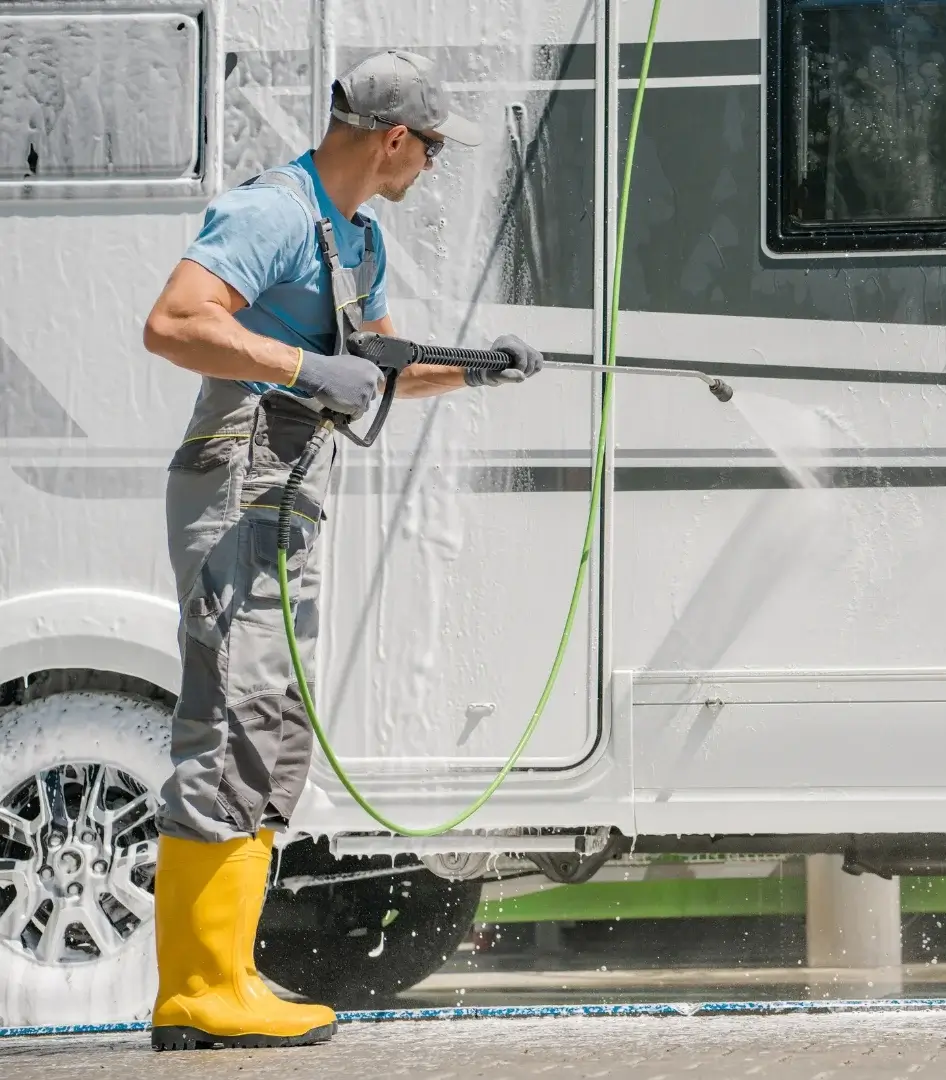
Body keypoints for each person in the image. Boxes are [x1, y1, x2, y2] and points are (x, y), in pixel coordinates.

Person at [141, 48, 544, 1052]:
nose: (433, 169)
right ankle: (194, 989)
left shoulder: (354, 239)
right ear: (396, 138)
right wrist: (303, 363)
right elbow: (175, 322)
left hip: (286, 491)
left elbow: (378, 374)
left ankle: (228, 976)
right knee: (234, 717)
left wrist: (479, 368)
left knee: (271, 729)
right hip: (239, 476)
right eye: (432, 149)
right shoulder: (275, 210)